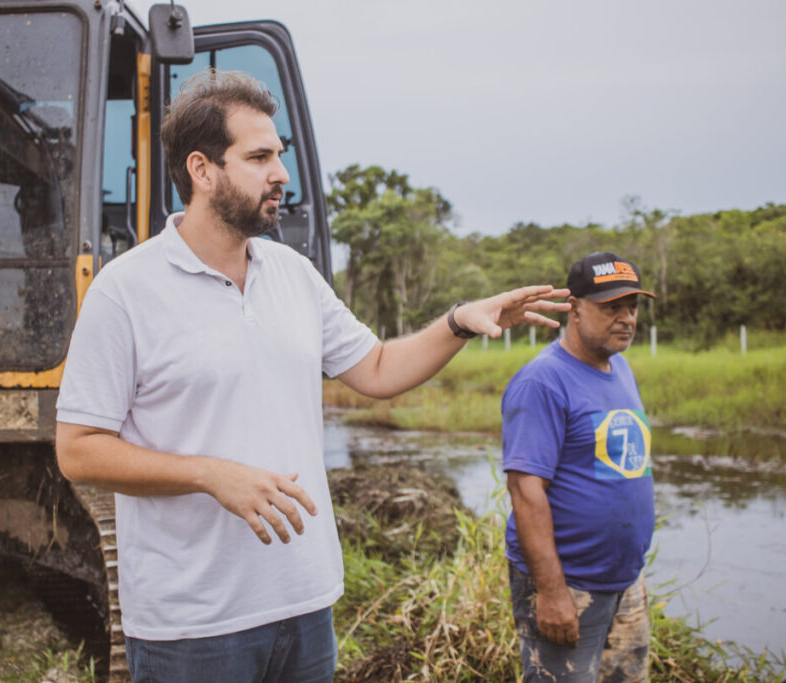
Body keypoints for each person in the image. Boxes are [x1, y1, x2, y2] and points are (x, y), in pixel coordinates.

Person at [55, 69, 569, 683]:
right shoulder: (125, 291)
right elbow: (79, 451)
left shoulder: (293, 275)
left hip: (304, 605)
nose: (281, 174)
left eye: (280, 155)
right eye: (260, 156)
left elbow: (377, 369)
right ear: (201, 169)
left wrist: (459, 321)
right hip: (192, 626)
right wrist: (209, 474)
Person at [502, 251, 656, 683]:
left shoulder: (620, 368)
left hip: (625, 580)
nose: (626, 318)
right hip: (569, 587)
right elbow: (525, 492)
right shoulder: (542, 382)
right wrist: (551, 593)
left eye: (632, 307)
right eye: (611, 308)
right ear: (574, 309)